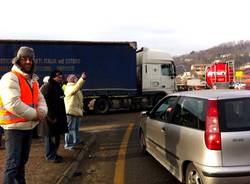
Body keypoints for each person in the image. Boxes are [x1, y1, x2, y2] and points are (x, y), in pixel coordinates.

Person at [0, 46, 47, 184]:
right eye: (24, 58)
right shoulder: (10, 78)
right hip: (14, 128)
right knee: (12, 165)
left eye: (30, 59)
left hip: (27, 127)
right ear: (18, 60)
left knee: (21, 163)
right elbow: (13, 103)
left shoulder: (32, 80)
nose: (27, 61)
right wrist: (36, 115)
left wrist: (42, 112)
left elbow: (40, 99)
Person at [42, 69, 68, 162]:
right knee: (50, 138)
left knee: (56, 137)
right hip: (50, 119)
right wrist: (51, 118)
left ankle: (54, 154)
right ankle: (50, 156)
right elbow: (46, 103)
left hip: (58, 117)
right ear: (53, 77)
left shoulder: (57, 86)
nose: (60, 78)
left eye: (61, 77)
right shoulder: (48, 87)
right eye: (58, 77)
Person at [64, 73, 87, 150]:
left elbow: (79, 101)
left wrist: (81, 108)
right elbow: (75, 89)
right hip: (70, 112)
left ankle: (76, 141)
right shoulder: (69, 88)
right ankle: (68, 145)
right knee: (70, 129)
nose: (77, 79)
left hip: (76, 111)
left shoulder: (75, 88)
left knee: (75, 128)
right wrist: (82, 79)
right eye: (76, 78)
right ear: (72, 80)